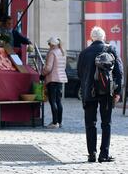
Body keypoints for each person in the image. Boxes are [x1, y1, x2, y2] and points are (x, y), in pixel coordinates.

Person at [77, 26, 123, 163]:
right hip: (106, 92)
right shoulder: (110, 49)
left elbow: (80, 73)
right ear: (103, 37)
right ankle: (104, 154)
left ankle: (92, 153)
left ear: (92, 38)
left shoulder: (84, 53)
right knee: (106, 123)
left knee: (90, 123)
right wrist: (117, 91)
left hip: (89, 92)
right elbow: (119, 72)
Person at [42, 37, 68, 129]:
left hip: (52, 79)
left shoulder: (52, 53)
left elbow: (48, 67)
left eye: (49, 44)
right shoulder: (62, 52)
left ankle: (54, 122)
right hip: (60, 79)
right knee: (58, 101)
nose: (48, 46)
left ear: (52, 44)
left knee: (53, 101)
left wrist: (42, 74)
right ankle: (60, 122)